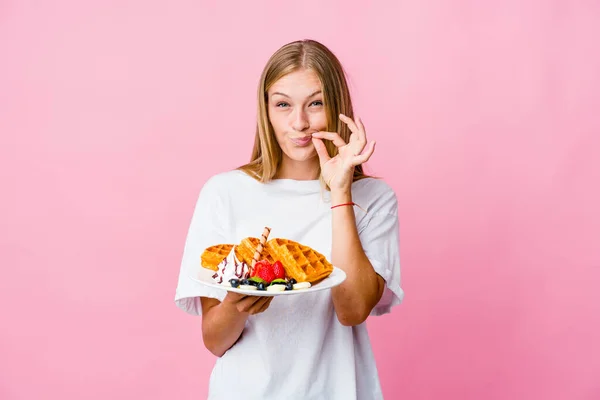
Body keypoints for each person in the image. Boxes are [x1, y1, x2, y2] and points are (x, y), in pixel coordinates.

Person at [174, 39, 404, 400]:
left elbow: (353, 309)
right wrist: (236, 304)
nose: (299, 123)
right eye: (283, 104)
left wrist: (340, 191)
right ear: (266, 110)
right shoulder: (224, 192)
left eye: (316, 104)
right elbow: (214, 341)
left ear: (338, 107)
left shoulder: (374, 199)